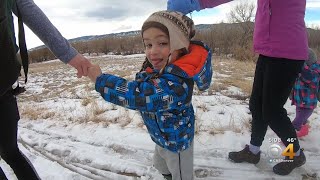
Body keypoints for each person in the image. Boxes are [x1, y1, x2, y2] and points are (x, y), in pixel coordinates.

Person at [167, 0, 308, 176]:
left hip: (288, 52)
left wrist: (196, 2)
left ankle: (295, 154)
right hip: (269, 51)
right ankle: (254, 151)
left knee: (272, 111)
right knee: (256, 105)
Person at [88, 10, 212, 180]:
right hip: (161, 137)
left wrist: (100, 80)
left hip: (176, 145)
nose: (153, 51)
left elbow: (138, 96)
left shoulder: (177, 84)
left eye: (162, 43)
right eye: (148, 45)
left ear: (179, 45)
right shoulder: (156, 71)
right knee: (161, 166)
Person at [0, 0, 92, 179]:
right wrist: (69, 54)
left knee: (10, 152)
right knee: (11, 152)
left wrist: (69, 55)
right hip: (4, 77)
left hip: (3, 79)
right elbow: (25, 6)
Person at [291, 49, 320, 137]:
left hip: (308, 102)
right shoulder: (302, 69)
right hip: (299, 100)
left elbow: (308, 78)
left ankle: (289, 137)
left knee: (297, 122)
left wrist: (301, 65)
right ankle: (304, 129)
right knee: (300, 116)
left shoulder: (316, 70)